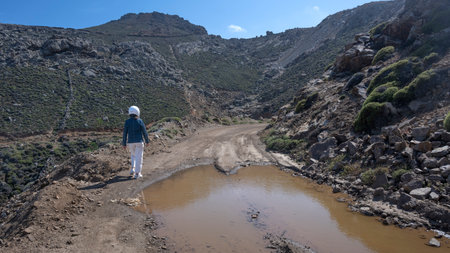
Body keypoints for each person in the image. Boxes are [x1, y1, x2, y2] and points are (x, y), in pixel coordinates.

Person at [122, 106, 150, 179]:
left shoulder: (127, 122)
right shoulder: (140, 121)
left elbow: (125, 133)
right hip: (139, 142)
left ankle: (133, 169)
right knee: (139, 157)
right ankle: (137, 173)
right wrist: (147, 141)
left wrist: (124, 144)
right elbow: (144, 132)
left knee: (133, 155)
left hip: (130, 142)